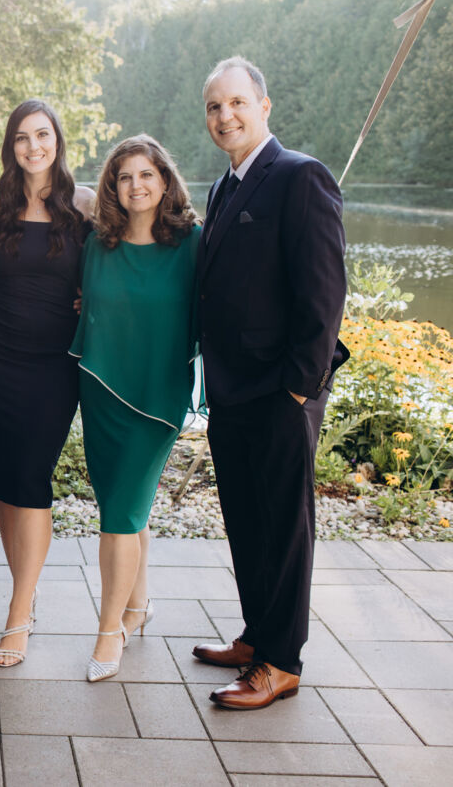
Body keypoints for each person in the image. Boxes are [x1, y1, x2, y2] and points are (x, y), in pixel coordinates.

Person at [193, 57, 348, 709]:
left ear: (263, 105)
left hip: (280, 393)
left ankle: (281, 662)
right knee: (246, 521)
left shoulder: (300, 176)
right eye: (214, 107)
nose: (225, 115)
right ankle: (257, 636)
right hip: (231, 390)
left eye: (236, 102)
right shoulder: (224, 188)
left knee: (283, 529)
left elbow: (325, 293)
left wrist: (299, 388)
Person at [69, 134, 200, 681]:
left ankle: (108, 633)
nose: (136, 185)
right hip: (101, 390)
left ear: (165, 181)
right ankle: (139, 606)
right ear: (113, 187)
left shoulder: (193, 242)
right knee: (126, 508)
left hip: (156, 399)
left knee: (119, 516)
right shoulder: (98, 243)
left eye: (146, 174)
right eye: (124, 177)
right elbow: (81, 303)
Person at [0, 99, 94, 668]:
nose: (33, 146)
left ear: (57, 140)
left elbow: (117, 260)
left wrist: (92, 300)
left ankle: (19, 612)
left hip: (54, 362)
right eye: (22, 137)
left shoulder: (84, 204)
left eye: (42, 135)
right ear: (11, 146)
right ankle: (26, 589)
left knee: (32, 478)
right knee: (3, 481)